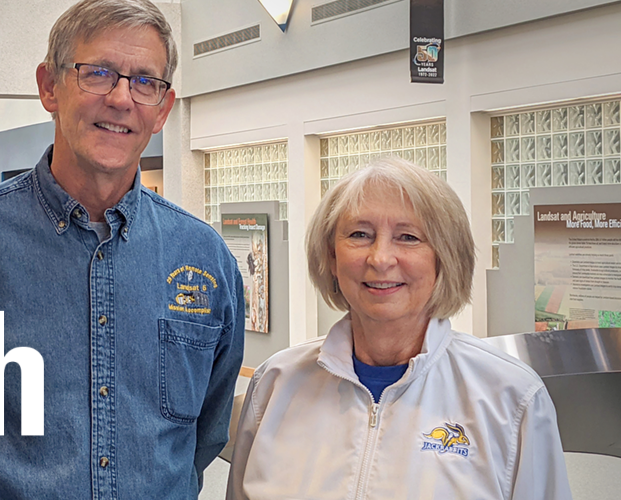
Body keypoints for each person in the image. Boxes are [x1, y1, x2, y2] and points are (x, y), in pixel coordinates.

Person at [0, 0, 245, 498]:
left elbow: (201, 438)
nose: (122, 98)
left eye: (145, 81)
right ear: (48, 87)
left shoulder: (204, 260)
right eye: (98, 73)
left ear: (163, 109)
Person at [227, 157, 571, 499]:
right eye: (359, 234)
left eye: (408, 237)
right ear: (331, 257)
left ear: (445, 258)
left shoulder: (511, 397)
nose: (380, 258)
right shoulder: (275, 384)